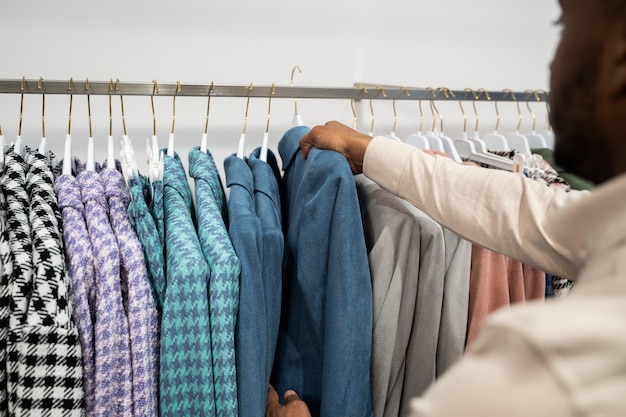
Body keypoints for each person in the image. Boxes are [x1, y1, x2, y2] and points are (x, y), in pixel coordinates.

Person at [266, 0, 626, 415]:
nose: (551, 65)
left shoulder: (548, 375)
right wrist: (372, 152)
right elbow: (526, 211)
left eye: (565, 25)